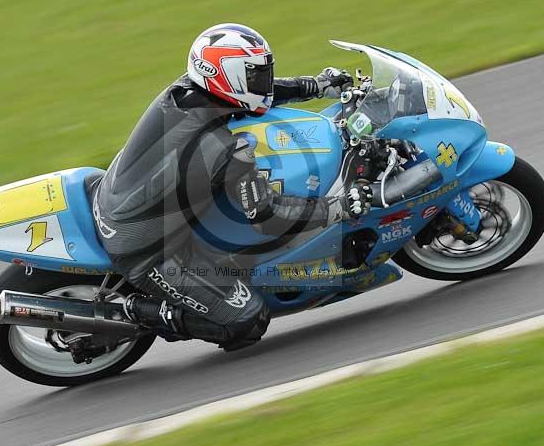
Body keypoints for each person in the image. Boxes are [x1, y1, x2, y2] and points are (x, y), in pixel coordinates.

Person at [91, 23, 373, 351]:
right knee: (247, 320)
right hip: (148, 250)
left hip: (122, 197)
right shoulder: (222, 149)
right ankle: (133, 312)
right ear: (228, 77)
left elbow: (256, 99)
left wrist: (315, 85)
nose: (264, 81)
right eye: (255, 75)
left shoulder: (187, 90)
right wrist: (338, 207)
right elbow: (268, 217)